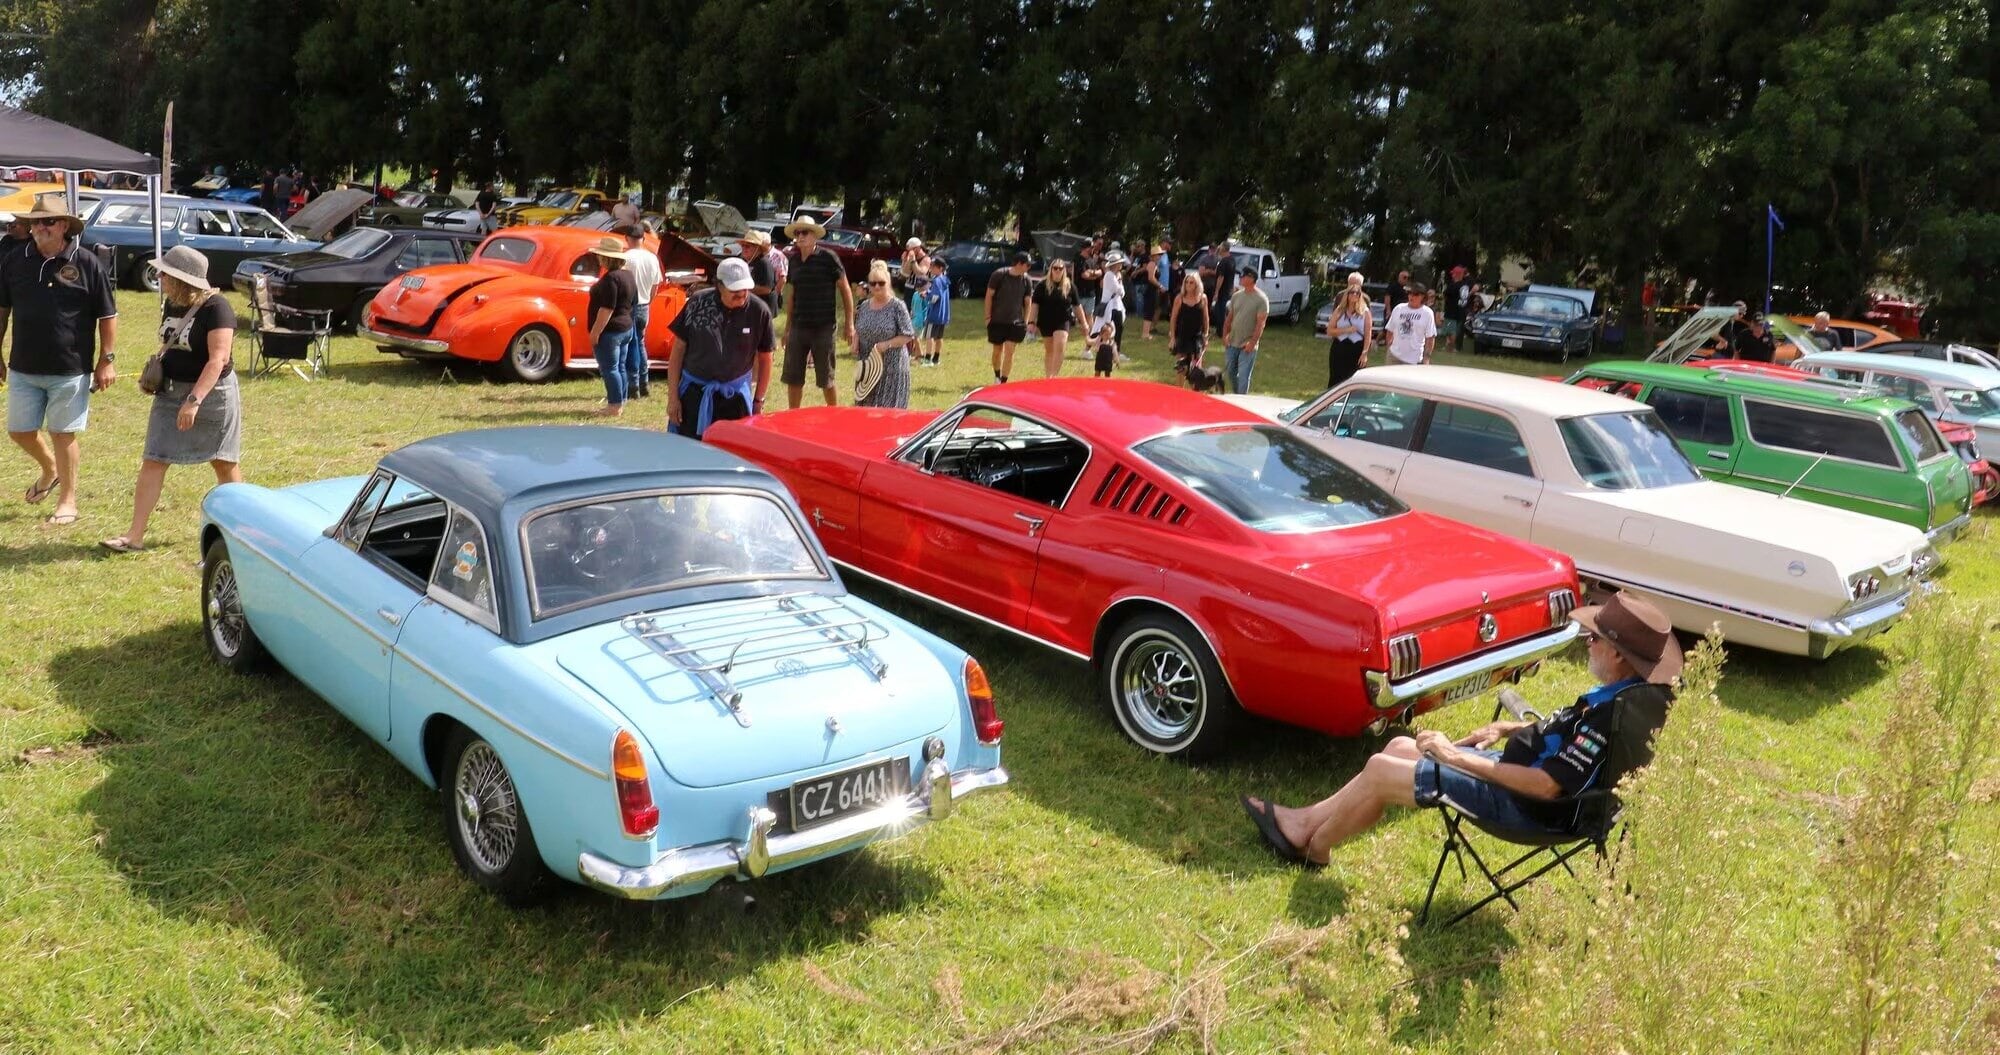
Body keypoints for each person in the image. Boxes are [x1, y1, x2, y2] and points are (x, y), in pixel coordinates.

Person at [1240, 593, 1680, 869]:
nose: (1588, 641)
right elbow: (1568, 743)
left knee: (1381, 768)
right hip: (1524, 785)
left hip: (1527, 809)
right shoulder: (1630, 697)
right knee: (1397, 744)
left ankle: (1315, 848)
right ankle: (1303, 826)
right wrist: (1511, 727)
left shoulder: (1610, 714)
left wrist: (1455, 757)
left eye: (1596, 638)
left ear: (1620, 656)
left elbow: (1547, 785)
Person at [99, 247, 242, 553]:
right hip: (170, 393)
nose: (159, 276)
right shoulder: (172, 302)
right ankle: (134, 537)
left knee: (223, 462)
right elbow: (171, 343)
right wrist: (156, 374)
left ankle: (242, 533)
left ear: (182, 278)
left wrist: (194, 400)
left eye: (165, 272)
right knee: (154, 458)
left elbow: (218, 360)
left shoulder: (218, 308)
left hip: (211, 395)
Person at [0, 194, 117, 527]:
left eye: (47, 222)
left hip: (70, 367)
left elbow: (108, 315)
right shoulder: (14, 260)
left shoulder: (87, 262)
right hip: (23, 365)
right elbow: (2, 309)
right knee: (20, 431)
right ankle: (49, 469)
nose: (39, 228)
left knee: (62, 433)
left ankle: (68, 501)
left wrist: (107, 359)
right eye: (34, 222)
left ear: (64, 225)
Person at [666, 257, 774, 441]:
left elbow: (766, 358)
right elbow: (677, 351)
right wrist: (673, 398)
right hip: (694, 394)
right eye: (734, 290)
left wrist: (758, 400)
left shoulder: (759, 311)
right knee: (687, 450)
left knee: (733, 453)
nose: (741, 294)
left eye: (745, 289)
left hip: (735, 397)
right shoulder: (697, 303)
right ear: (719, 285)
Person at [780, 216, 854, 408]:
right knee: (793, 377)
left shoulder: (828, 257)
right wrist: (787, 329)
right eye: (797, 233)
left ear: (815, 236)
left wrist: (850, 324)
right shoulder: (794, 261)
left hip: (824, 327)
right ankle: (793, 415)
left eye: (805, 232)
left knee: (826, 378)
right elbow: (792, 296)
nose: (800, 236)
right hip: (798, 326)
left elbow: (845, 289)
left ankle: (834, 414)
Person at [584, 237, 637, 417]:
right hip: (625, 327)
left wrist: (595, 332)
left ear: (607, 258)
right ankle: (620, 402)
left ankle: (614, 406)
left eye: (600, 256)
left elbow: (607, 308)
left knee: (610, 369)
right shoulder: (628, 275)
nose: (598, 259)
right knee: (619, 366)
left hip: (611, 332)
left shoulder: (611, 279)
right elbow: (633, 302)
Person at [852, 260, 915, 409]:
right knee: (865, 415)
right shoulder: (865, 306)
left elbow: (908, 335)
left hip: (892, 369)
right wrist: (855, 341)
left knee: (886, 415)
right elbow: (859, 328)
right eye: (873, 284)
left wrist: (887, 344)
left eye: (881, 283)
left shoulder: (897, 306)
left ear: (888, 282)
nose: (877, 287)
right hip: (868, 368)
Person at [618, 223, 662, 399]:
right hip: (644, 305)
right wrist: (648, 301)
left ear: (627, 239)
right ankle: (644, 383)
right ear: (643, 239)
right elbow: (655, 285)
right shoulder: (652, 258)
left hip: (628, 306)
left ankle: (632, 385)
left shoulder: (625, 258)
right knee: (641, 344)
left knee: (628, 346)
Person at [1029, 259, 1090, 378]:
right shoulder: (1042, 286)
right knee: (1050, 351)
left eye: (1060, 268)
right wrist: (1031, 322)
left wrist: (1084, 323)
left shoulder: (1069, 286)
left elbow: (1077, 306)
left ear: (1064, 271)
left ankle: (1054, 376)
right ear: (1050, 269)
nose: (1057, 270)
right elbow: (1035, 305)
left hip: (1063, 321)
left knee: (1060, 347)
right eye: (1055, 268)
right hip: (1045, 321)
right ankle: (1048, 377)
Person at [985, 251, 1033, 383]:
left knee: (1010, 351)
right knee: (997, 351)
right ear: (1019, 264)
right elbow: (989, 296)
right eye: (1027, 265)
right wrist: (987, 317)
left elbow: (1028, 302)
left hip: (1016, 322)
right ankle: (997, 375)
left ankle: (1004, 381)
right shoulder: (999, 275)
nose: (1029, 268)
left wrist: (1026, 321)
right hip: (997, 320)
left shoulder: (1026, 280)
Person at [1221, 269, 1269, 394]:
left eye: (1243, 276)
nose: (1240, 278)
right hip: (1232, 342)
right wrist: (1225, 335)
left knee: (1243, 376)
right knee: (1230, 372)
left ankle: (1242, 400)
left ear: (1252, 278)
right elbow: (1229, 318)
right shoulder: (1236, 296)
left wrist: (1252, 343)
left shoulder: (1261, 299)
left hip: (1247, 345)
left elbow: (1261, 324)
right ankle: (1238, 395)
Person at [1326, 284, 1372, 387]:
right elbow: (1329, 331)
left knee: (1355, 378)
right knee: (1336, 378)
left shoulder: (1365, 312)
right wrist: (1346, 330)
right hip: (1340, 347)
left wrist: (1364, 353)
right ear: (1347, 294)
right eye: (1352, 292)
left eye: (1357, 293)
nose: (1354, 295)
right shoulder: (1339, 310)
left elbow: (1368, 334)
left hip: (1357, 348)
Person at [1169, 271, 1210, 377]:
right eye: (1186, 282)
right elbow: (1173, 318)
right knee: (1181, 367)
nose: (1188, 285)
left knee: (1197, 367)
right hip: (1182, 335)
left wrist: (1205, 336)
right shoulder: (1179, 298)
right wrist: (1173, 338)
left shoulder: (1203, 298)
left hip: (1197, 336)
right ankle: (1180, 391)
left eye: (1191, 282)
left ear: (1197, 284)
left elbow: (1206, 319)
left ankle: (1195, 391)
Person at [1385, 283, 1437, 365]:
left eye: (1416, 294)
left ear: (1423, 296)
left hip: (1414, 359)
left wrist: (1426, 357)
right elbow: (1390, 330)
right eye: (1409, 293)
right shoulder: (1399, 308)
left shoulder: (1427, 313)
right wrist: (1389, 348)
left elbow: (1430, 337)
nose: (1411, 296)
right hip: (1394, 356)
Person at [918, 257, 949, 366]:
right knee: (939, 337)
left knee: (929, 336)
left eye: (933, 266)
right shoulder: (944, 279)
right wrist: (929, 292)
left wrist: (925, 295)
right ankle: (936, 359)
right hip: (943, 315)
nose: (930, 268)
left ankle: (927, 359)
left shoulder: (936, 280)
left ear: (940, 268)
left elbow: (935, 297)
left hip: (934, 314)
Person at [738, 230, 778, 314]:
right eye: (743, 246)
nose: (744, 248)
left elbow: (767, 289)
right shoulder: (745, 262)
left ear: (757, 248)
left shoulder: (763, 263)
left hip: (764, 307)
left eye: (747, 246)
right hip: (752, 306)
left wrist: (742, 290)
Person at [1098, 252, 1130, 353]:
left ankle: (1116, 351)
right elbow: (1118, 290)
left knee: (1118, 327)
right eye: (1119, 263)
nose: (1121, 265)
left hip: (1117, 306)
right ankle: (1094, 348)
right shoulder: (1109, 275)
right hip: (1109, 306)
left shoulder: (1118, 275)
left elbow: (1122, 292)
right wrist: (1120, 285)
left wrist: (1120, 285)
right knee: (1102, 328)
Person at [1210, 239, 1238, 336]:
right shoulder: (1232, 260)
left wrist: (1217, 292)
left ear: (1224, 248)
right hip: (1228, 289)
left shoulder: (1224, 262)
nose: (1218, 248)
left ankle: (1221, 331)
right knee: (1224, 310)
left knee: (1219, 311)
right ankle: (1224, 330)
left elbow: (1221, 277)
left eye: (1220, 247)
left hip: (1222, 290)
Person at [1442, 264, 1472, 353]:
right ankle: (1450, 346)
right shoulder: (1465, 285)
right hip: (1462, 310)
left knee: (1451, 331)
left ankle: (1450, 348)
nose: (1452, 275)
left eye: (1453, 274)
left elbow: (1446, 294)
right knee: (1456, 330)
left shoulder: (1453, 285)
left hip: (1452, 311)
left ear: (1457, 274)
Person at [1132, 240, 1157, 339]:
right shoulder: (1140, 257)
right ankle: (1144, 329)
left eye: (1138, 246)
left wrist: (1136, 272)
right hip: (1142, 284)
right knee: (1142, 303)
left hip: (1143, 283)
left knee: (1143, 303)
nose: (1137, 248)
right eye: (1136, 246)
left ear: (1143, 246)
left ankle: (1141, 319)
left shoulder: (1146, 259)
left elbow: (1147, 271)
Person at [1150, 238, 1173, 340]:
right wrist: (1158, 285)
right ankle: (1150, 326)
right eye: (1169, 243)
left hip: (1166, 286)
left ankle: (1153, 326)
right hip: (1159, 286)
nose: (1170, 245)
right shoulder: (1158, 255)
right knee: (1157, 307)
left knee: (1162, 307)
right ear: (1164, 243)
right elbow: (1154, 269)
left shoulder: (1166, 255)